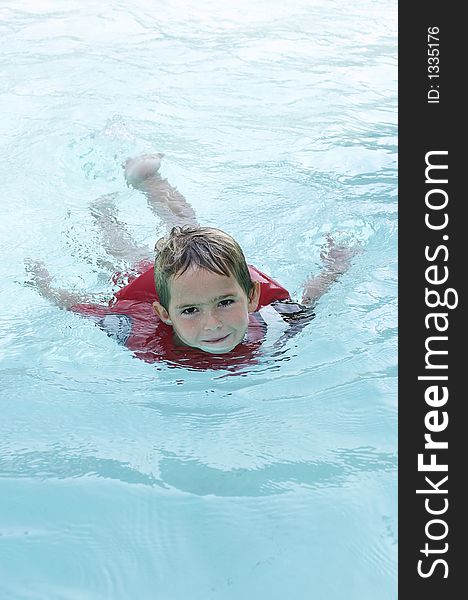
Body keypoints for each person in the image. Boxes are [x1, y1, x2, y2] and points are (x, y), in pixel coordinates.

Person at [26, 154, 356, 368]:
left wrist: (334, 269)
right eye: (190, 311)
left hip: (202, 275)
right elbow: (86, 309)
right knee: (125, 259)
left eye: (227, 303)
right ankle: (103, 215)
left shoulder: (272, 324)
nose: (212, 324)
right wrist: (46, 287)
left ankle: (152, 181)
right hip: (150, 286)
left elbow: (307, 302)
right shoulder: (141, 334)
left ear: (252, 297)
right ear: (165, 315)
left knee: (188, 229)